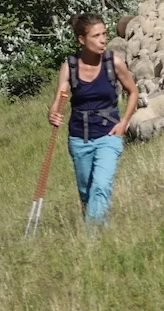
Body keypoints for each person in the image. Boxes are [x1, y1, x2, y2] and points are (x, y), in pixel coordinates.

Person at [48, 13, 138, 223]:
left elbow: (133, 92)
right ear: (81, 39)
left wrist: (123, 123)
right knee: (87, 194)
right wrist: (53, 112)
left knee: (100, 186)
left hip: (109, 136)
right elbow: (60, 97)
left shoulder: (113, 63)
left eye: (104, 34)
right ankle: (98, 234)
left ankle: (92, 241)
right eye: (96, 35)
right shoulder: (69, 67)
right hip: (79, 140)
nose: (103, 40)